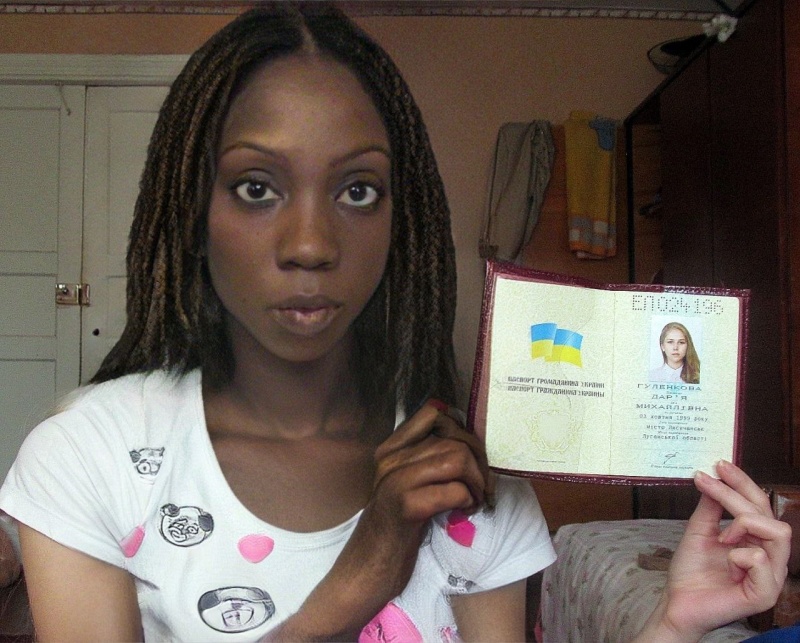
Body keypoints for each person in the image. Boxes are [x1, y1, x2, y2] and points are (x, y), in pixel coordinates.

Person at [0, 4, 789, 641]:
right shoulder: (90, 456)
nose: (311, 244)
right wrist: (363, 572)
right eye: (255, 187)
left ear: (398, 222)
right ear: (191, 211)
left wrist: (675, 622)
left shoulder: (469, 485)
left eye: (358, 191)